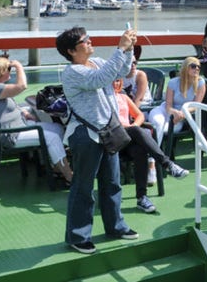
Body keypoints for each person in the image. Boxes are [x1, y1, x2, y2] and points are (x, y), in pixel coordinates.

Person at [56, 26, 139, 255]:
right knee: (83, 187)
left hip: (106, 131)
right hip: (85, 134)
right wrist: (120, 47)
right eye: (86, 40)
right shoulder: (72, 71)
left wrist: (129, 49)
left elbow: (120, 71)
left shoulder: (98, 62)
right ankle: (78, 236)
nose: (91, 42)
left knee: (112, 182)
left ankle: (116, 226)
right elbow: (100, 79)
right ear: (72, 50)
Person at [0, 57, 72, 184]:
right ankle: (69, 176)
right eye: (9, 69)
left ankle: (57, 168)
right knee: (52, 138)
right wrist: (19, 66)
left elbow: (6, 104)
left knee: (58, 128)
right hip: (11, 135)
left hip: (17, 127)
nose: (11, 72)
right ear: (3, 72)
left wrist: (22, 112)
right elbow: (22, 86)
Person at [112, 78, 187, 214]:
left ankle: (142, 198)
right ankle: (167, 164)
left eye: (117, 81)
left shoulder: (123, 97)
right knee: (136, 131)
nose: (115, 84)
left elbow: (139, 115)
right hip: (112, 140)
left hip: (127, 139)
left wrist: (132, 127)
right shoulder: (102, 99)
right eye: (111, 81)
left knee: (140, 150)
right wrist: (131, 129)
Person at [148, 56, 206, 146]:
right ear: (186, 67)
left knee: (158, 130)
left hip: (181, 117)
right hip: (164, 111)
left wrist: (182, 113)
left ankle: (153, 156)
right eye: (193, 66)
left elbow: (196, 105)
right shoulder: (173, 82)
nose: (197, 68)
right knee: (158, 124)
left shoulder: (200, 83)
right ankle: (154, 156)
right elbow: (168, 106)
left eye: (199, 67)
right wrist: (175, 112)